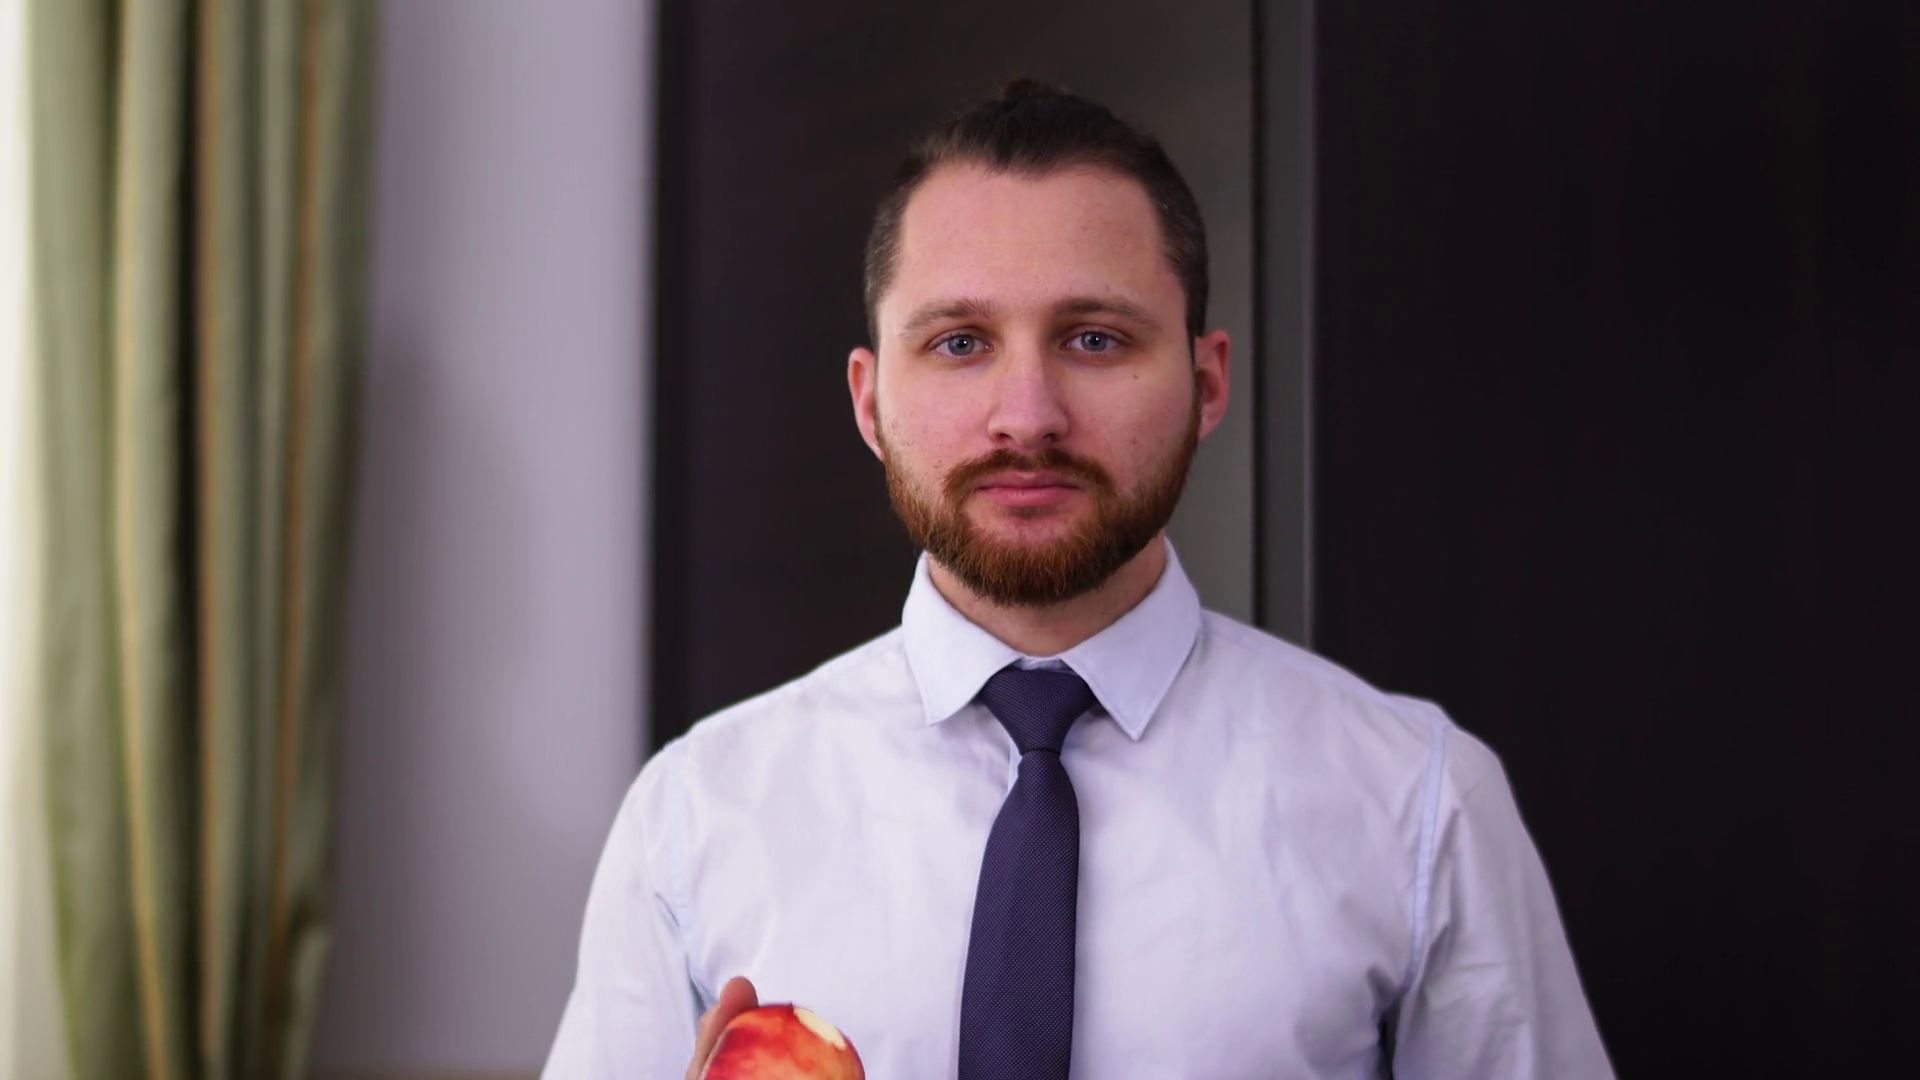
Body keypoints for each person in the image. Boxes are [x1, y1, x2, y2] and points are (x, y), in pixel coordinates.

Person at [543, 80, 1613, 1080]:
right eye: (960, 343)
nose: (1027, 417)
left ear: (1206, 383)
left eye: (1094, 339)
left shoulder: (1420, 807)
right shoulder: (694, 818)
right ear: (870, 404)